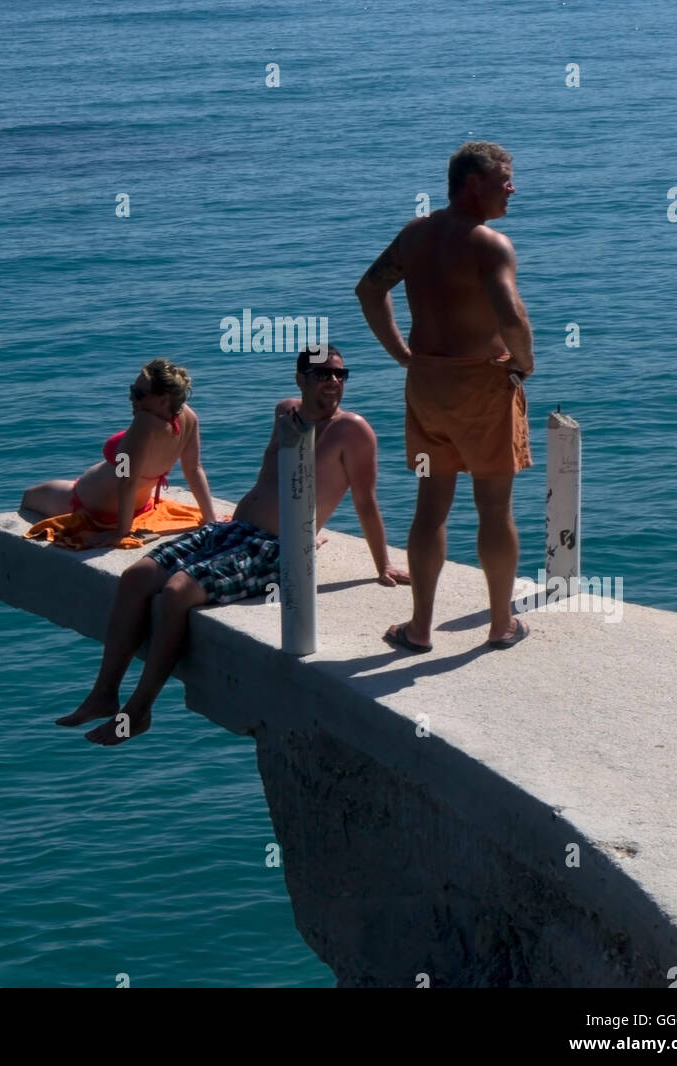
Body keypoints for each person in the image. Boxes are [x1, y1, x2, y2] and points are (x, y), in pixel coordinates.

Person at [57, 345, 409, 744]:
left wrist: (382, 564)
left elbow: (365, 500)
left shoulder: (354, 431)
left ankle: (138, 711)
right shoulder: (285, 412)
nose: (332, 382)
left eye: (339, 375)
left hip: (274, 547)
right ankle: (104, 694)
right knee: (137, 575)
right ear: (301, 379)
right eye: (322, 374)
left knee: (176, 593)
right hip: (232, 530)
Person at [355, 141, 534, 652]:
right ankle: (500, 625)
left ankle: (419, 629)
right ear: (474, 184)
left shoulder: (415, 235)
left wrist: (401, 353)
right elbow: (511, 316)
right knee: (494, 507)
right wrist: (524, 363)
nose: (512, 190)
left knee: (431, 506)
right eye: (504, 181)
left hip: (428, 385)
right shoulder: (489, 244)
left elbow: (369, 290)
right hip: (481, 384)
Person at [21, 359, 215, 545]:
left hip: (89, 505)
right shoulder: (189, 418)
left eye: (139, 394)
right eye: (132, 390)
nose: (131, 397)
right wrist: (209, 519)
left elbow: (127, 480)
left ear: (164, 400)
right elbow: (193, 469)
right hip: (139, 507)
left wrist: (121, 533)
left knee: (29, 497)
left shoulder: (144, 424)